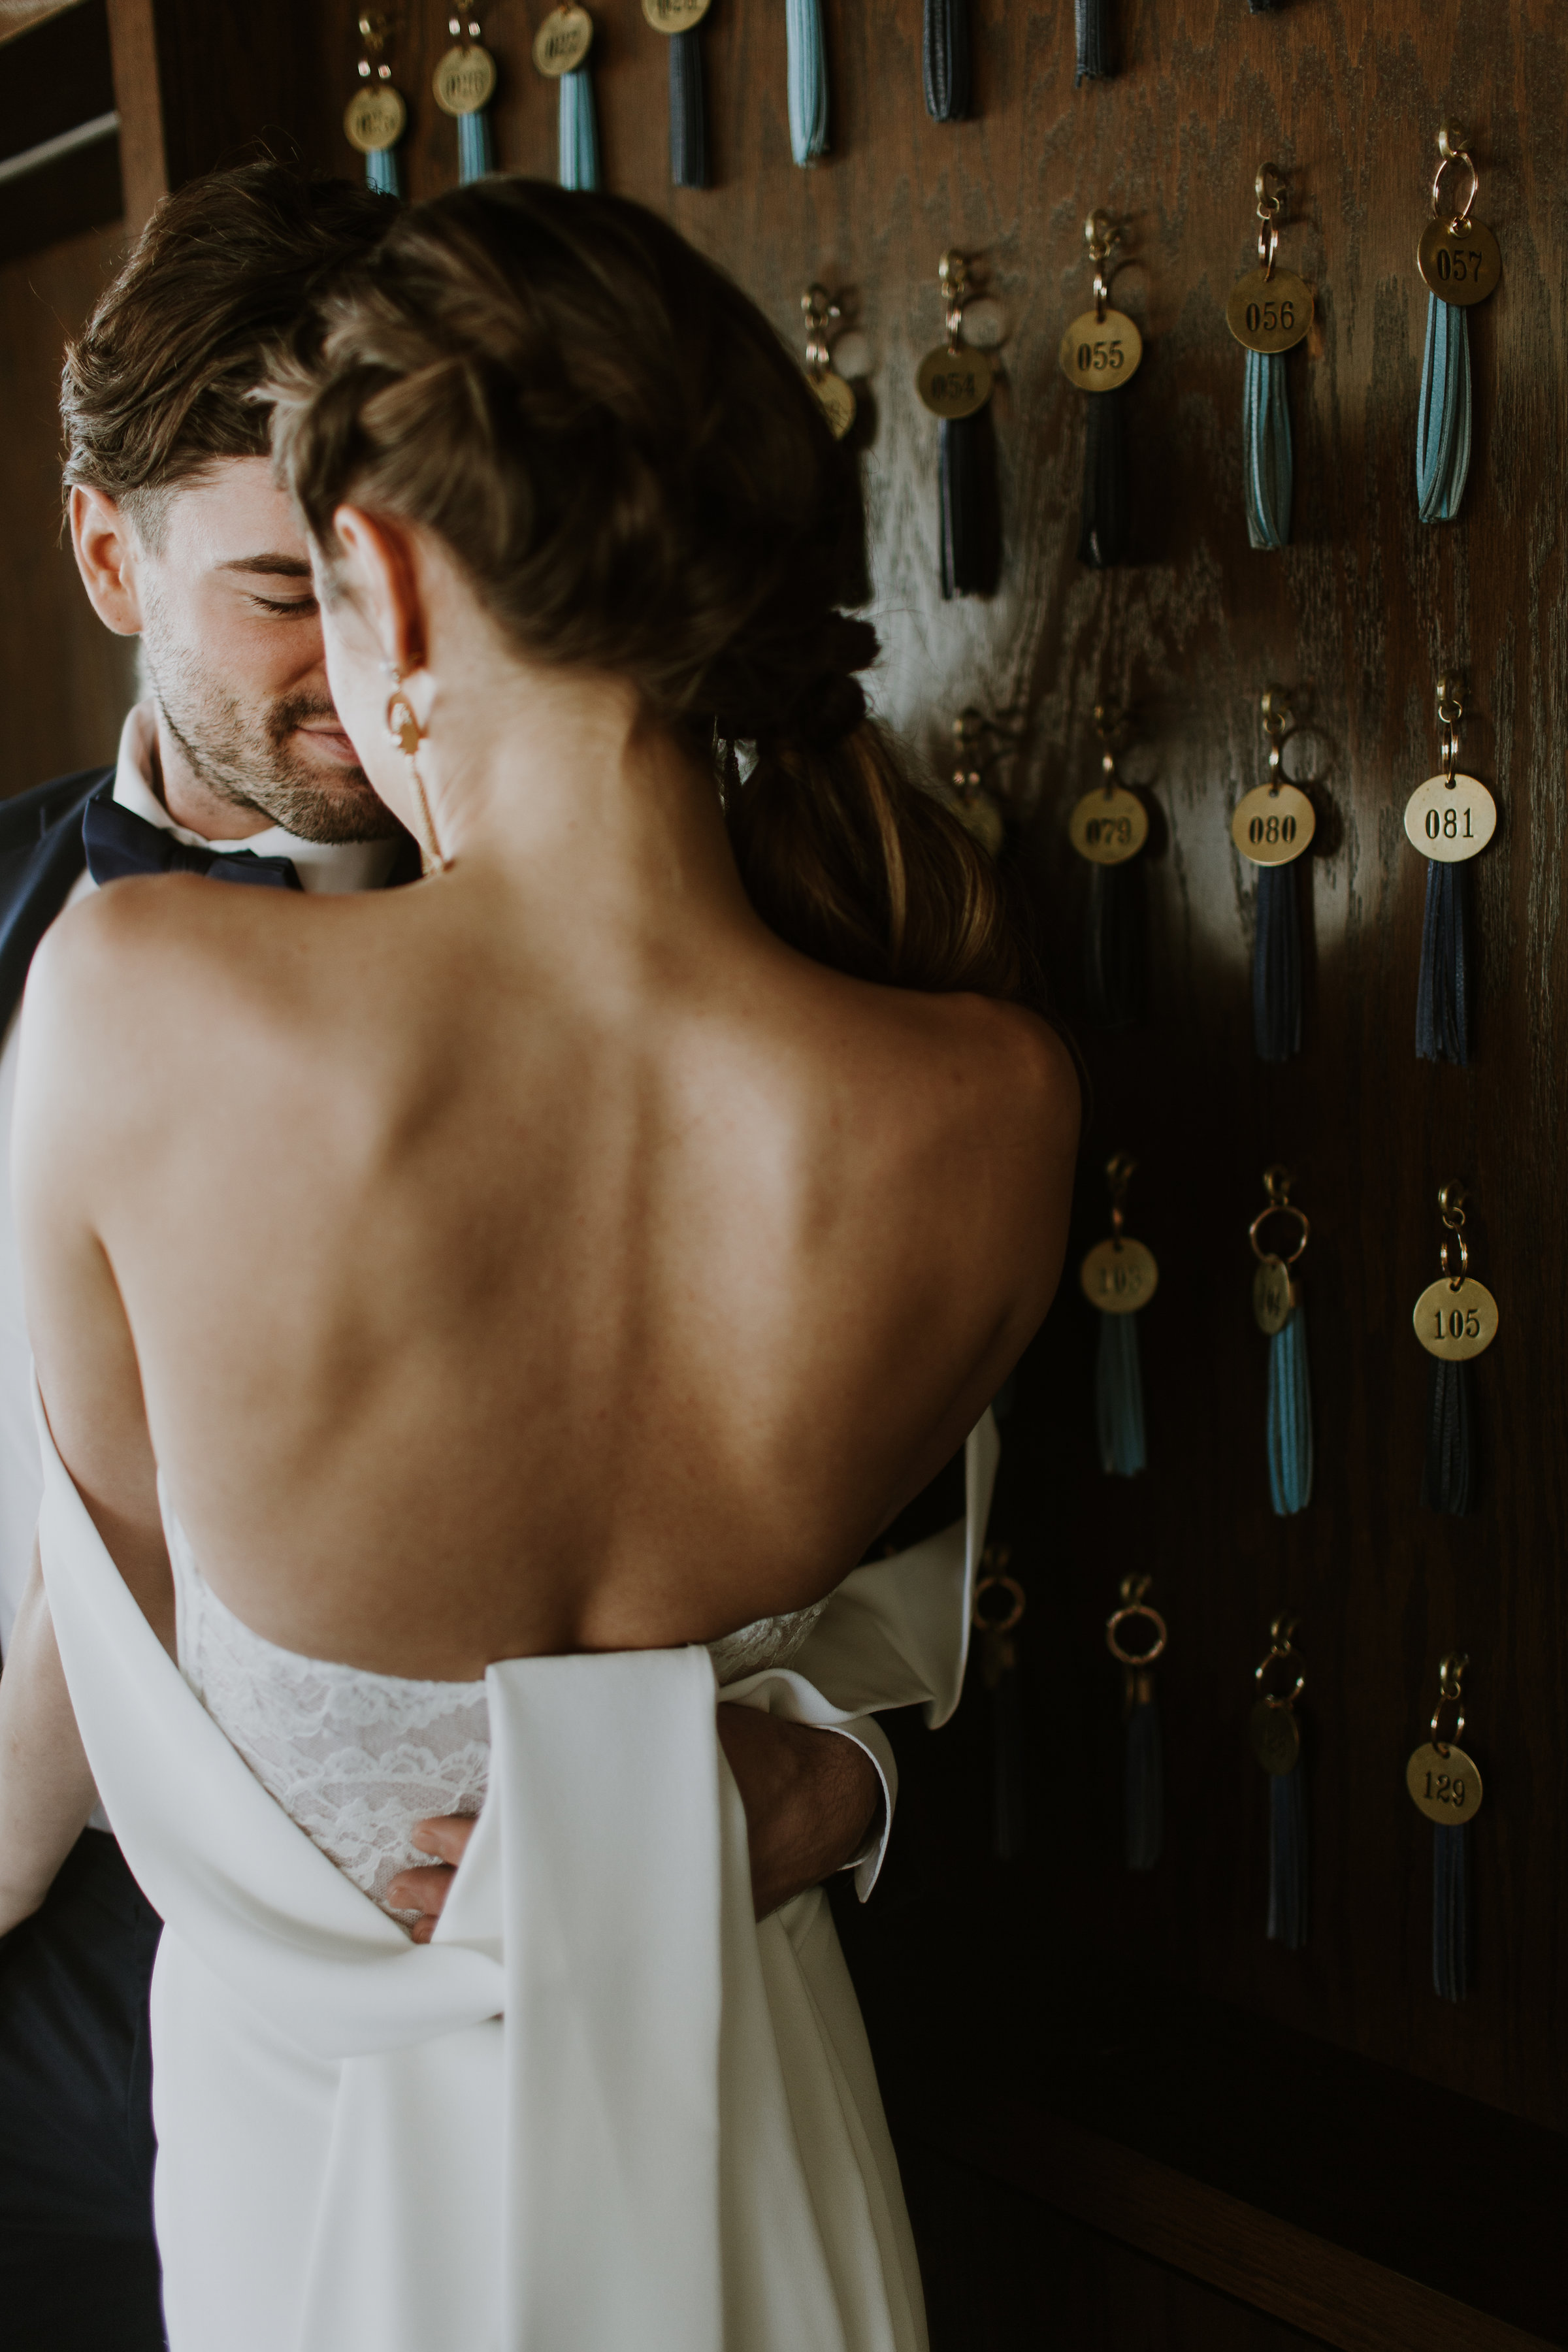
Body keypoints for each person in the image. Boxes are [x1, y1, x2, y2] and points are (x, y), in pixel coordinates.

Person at [5, 179, 1078, 2349]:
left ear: (381, 569)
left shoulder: (129, 1012)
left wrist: (838, 1778)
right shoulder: (998, 1098)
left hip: (324, 2182)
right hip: (747, 2143)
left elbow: (131, 1630)